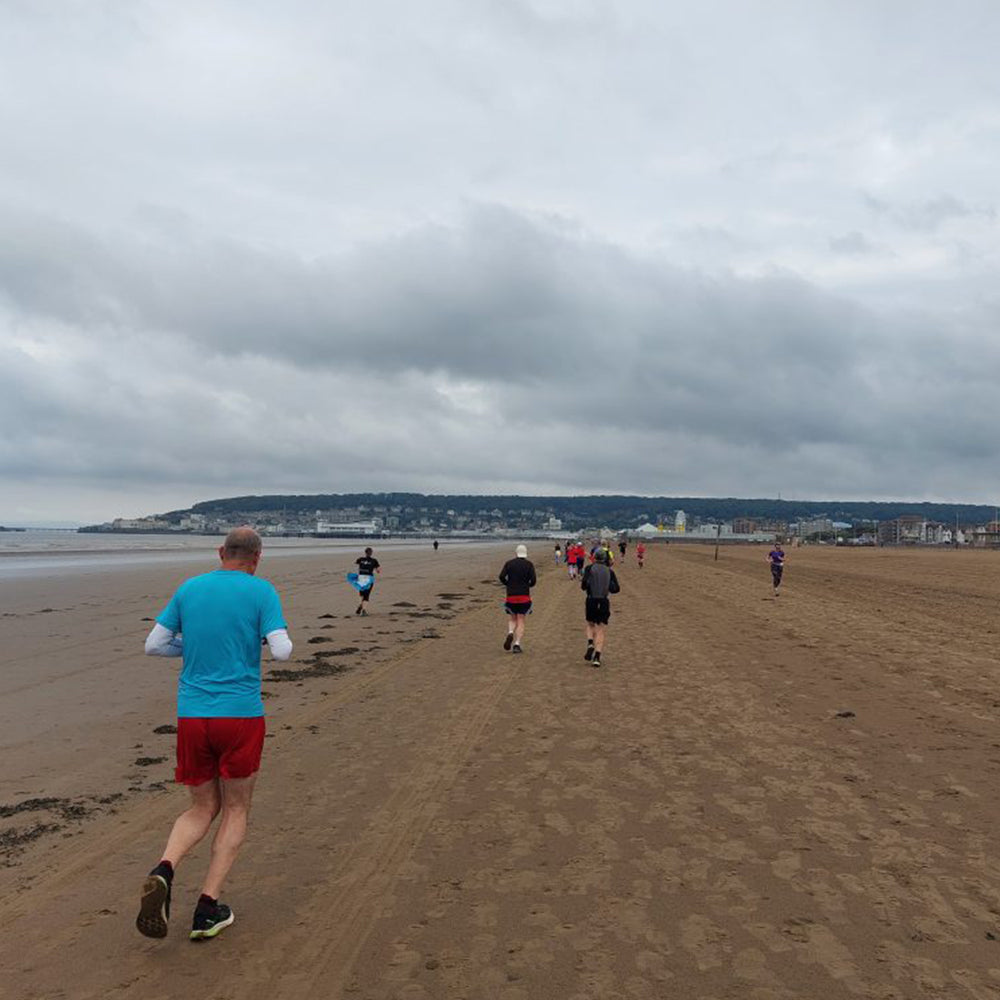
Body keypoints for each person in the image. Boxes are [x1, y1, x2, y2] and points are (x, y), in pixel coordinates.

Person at [137, 526, 292, 942]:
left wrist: (191, 647)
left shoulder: (189, 588)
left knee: (201, 807)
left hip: (192, 717)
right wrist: (252, 640)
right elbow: (282, 650)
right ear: (257, 558)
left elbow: (154, 645)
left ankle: (164, 868)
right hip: (240, 716)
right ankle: (207, 907)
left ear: (221, 551)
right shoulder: (261, 592)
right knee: (236, 808)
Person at [581, 547, 620, 667]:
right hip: (603, 600)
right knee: (600, 628)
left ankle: (590, 643)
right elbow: (616, 589)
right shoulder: (609, 571)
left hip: (591, 599)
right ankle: (597, 656)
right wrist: (608, 586)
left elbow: (583, 586)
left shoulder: (589, 568)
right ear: (605, 559)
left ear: (595, 558)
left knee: (590, 624)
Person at [498, 543, 536, 654]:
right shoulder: (529, 564)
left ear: (516, 553)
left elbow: (501, 576)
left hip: (511, 595)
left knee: (512, 618)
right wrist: (527, 585)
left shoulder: (509, 563)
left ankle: (510, 632)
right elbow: (533, 581)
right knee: (521, 620)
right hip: (524, 595)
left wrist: (508, 584)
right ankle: (517, 644)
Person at [355, 546, 380, 615]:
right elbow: (378, 570)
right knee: (367, 595)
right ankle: (363, 610)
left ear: (365, 552)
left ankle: (360, 604)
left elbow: (356, 563)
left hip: (361, 578)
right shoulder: (374, 561)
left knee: (361, 594)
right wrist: (376, 569)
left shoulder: (360, 559)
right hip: (369, 579)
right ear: (371, 553)